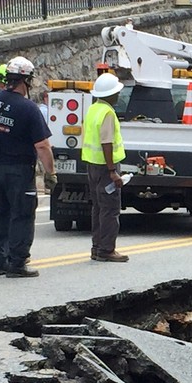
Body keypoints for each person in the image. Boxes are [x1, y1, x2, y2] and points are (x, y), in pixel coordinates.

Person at [0, 56, 55, 278]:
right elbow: (43, 145)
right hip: (19, 170)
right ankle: (17, 263)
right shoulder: (28, 109)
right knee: (22, 215)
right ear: (26, 81)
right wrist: (50, 173)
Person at [82, 73, 130, 262]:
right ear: (110, 95)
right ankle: (107, 250)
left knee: (98, 208)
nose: (118, 95)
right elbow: (107, 142)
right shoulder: (108, 113)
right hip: (104, 167)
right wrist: (112, 171)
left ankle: (97, 247)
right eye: (116, 92)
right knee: (110, 209)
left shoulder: (93, 109)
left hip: (92, 165)